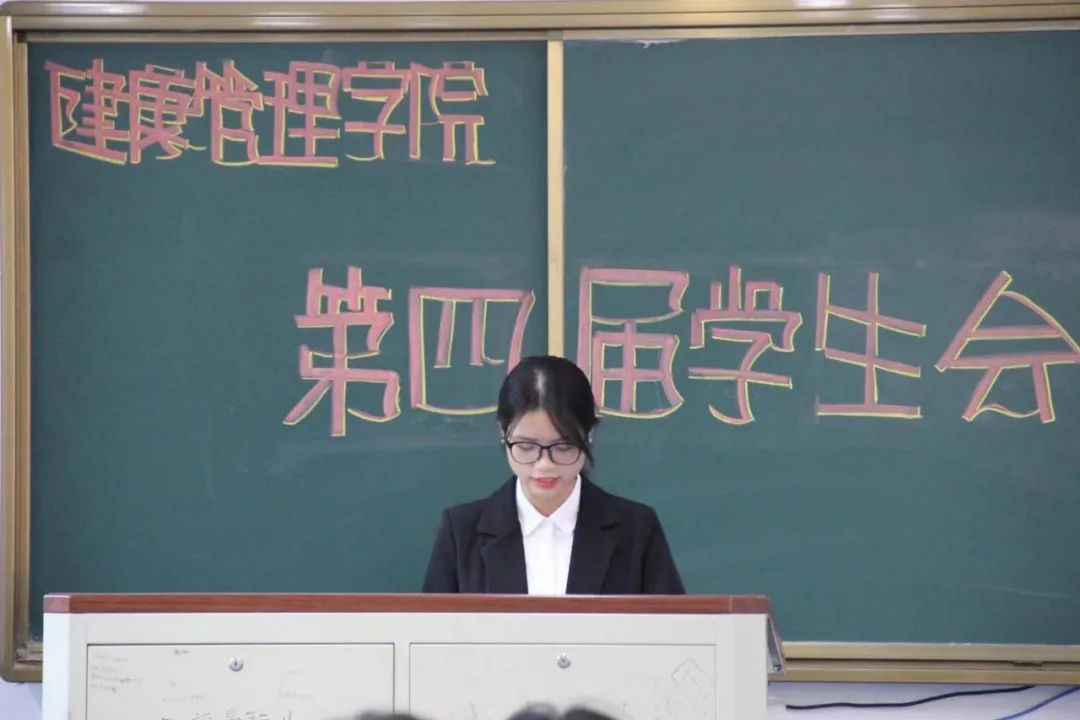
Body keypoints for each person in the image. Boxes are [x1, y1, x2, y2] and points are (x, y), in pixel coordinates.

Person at [422, 355, 684, 595]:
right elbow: (431, 629)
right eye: (526, 447)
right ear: (503, 432)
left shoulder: (637, 529)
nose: (544, 465)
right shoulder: (461, 532)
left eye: (564, 446)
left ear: (589, 433)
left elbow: (672, 628)